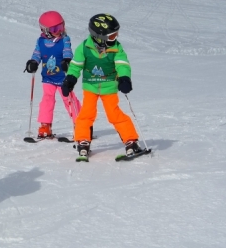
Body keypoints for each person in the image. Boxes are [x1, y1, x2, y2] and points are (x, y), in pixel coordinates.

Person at [61, 14, 142, 159]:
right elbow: (75, 65)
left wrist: (124, 78)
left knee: (114, 114)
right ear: (99, 37)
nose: (115, 39)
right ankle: (83, 140)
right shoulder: (84, 47)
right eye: (111, 36)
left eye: (116, 35)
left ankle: (131, 141)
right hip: (90, 87)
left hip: (109, 87)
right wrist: (70, 79)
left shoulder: (116, 48)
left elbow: (122, 64)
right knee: (86, 114)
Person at [25, 11, 80, 139]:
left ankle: (81, 124)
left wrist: (67, 60)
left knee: (69, 100)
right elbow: (37, 54)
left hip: (63, 77)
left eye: (61, 27)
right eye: (56, 29)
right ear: (46, 30)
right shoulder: (40, 41)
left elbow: (67, 51)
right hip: (48, 78)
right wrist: (33, 62)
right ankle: (45, 126)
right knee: (47, 101)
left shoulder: (64, 40)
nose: (60, 31)